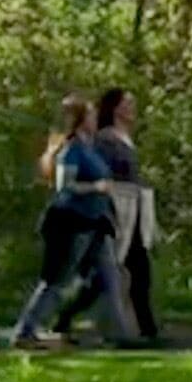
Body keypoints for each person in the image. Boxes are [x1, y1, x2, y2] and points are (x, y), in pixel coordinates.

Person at [10, 95, 137, 347]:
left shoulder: (89, 147)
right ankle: (25, 332)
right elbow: (63, 186)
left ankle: (119, 336)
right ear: (81, 121)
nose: (94, 119)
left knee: (110, 278)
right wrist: (97, 187)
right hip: (71, 223)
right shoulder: (72, 150)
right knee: (56, 281)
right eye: (90, 116)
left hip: (95, 223)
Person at [79, 84, 161, 345]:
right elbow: (103, 174)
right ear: (115, 108)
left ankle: (149, 330)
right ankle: (66, 317)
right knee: (105, 275)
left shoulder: (126, 137)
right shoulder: (105, 139)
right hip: (117, 210)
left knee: (140, 270)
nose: (132, 108)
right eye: (127, 103)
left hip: (135, 209)